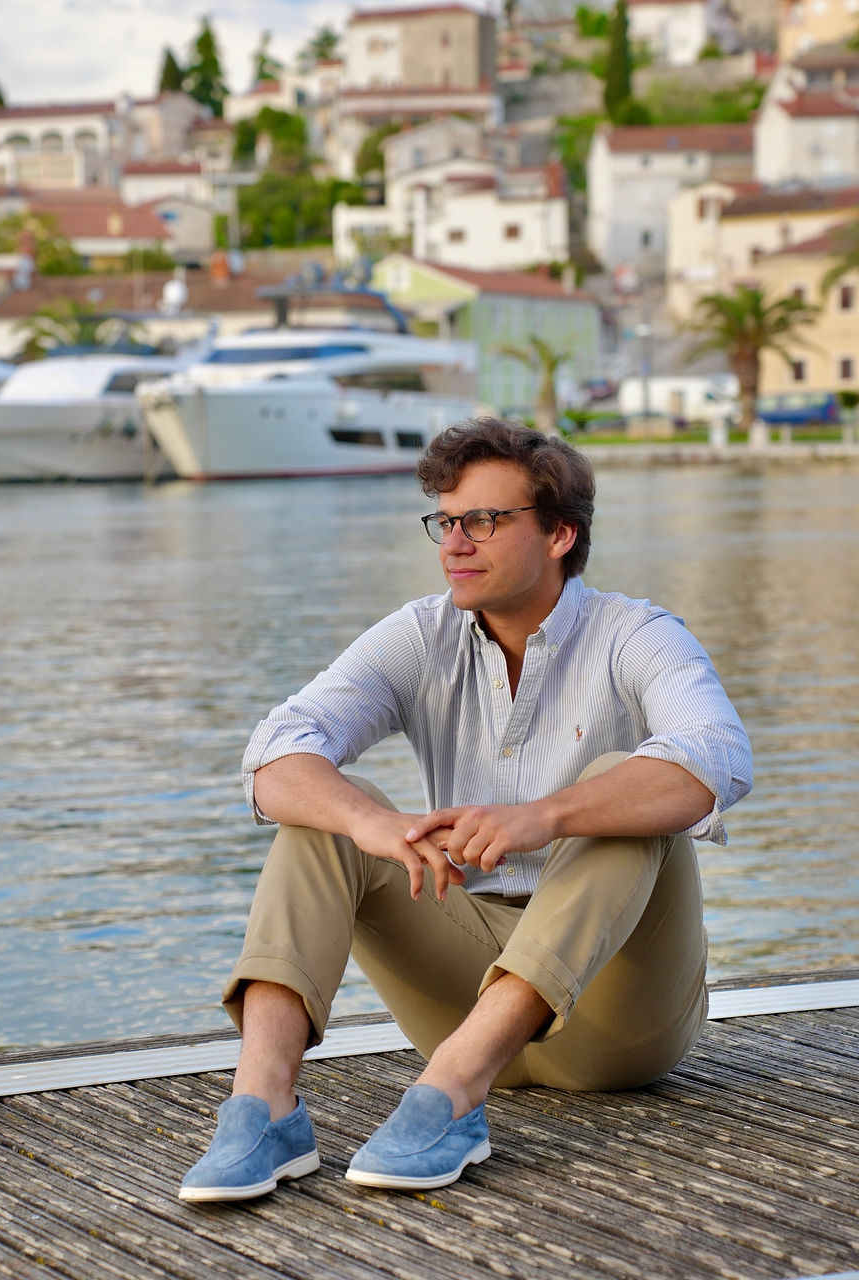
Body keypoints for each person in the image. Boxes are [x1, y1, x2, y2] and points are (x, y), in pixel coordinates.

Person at [179, 419, 752, 1202]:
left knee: (626, 787)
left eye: (483, 521)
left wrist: (546, 815)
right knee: (328, 816)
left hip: (619, 1025)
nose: (454, 544)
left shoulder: (635, 634)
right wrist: (368, 824)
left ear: (559, 534)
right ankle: (263, 1107)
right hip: (466, 994)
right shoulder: (423, 634)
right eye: (445, 521)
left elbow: (717, 755)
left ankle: (447, 1097)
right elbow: (276, 749)